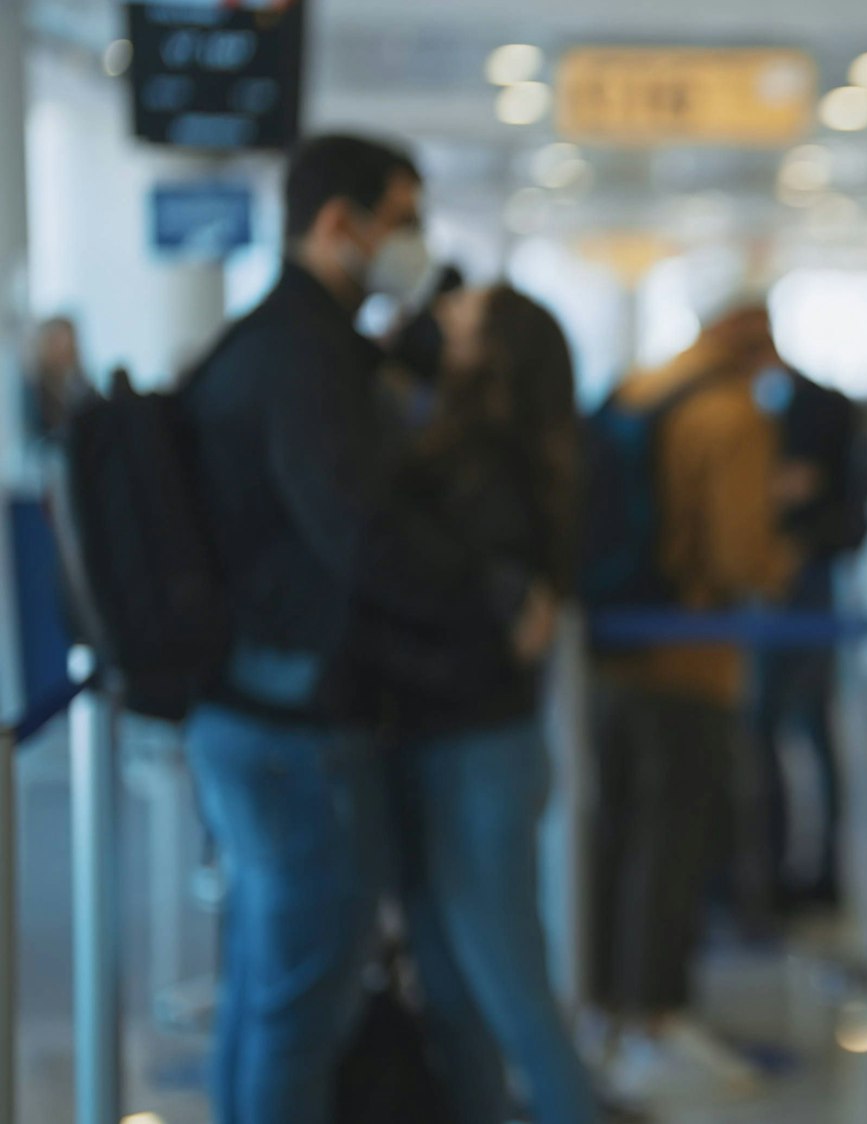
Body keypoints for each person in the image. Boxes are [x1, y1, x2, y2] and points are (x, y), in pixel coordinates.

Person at [181, 133, 474, 1124]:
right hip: (295, 718)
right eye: (403, 220)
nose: (417, 244)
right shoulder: (305, 353)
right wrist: (474, 605)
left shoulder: (270, 338)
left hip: (251, 700)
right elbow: (354, 528)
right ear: (338, 224)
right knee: (301, 1004)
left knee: (269, 993)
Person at [354, 284, 599, 1124]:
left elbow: (472, 611)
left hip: (474, 746)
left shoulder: (481, 458)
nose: (447, 309)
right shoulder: (505, 450)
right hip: (461, 740)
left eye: (469, 309)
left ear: (494, 349)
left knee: (509, 989)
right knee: (460, 992)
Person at [587, 302, 798, 1098]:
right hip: (691, 659)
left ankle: (607, 1003)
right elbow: (740, 551)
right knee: (673, 841)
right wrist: (784, 556)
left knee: (617, 834)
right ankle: (656, 1016)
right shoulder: (732, 416)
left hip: (613, 654)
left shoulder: (637, 389)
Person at [751, 363, 867, 918]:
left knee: (780, 731)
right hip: (803, 585)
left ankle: (789, 872)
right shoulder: (809, 402)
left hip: (794, 587)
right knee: (802, 732)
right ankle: (794, 869)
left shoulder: (799, 407)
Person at [24, 315, 100, 447]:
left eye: (67, 342)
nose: (62, 349)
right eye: (55, 342)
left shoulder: (82, 384)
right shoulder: (35, 389)